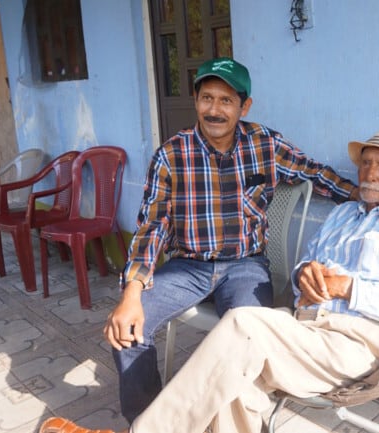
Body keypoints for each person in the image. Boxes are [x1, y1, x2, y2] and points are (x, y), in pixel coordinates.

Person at [40, 124, 379, 433]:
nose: (370, 173)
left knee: (242, 325)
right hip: (303, 327)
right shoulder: (344, 214)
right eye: (366, 163)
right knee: (235, 385)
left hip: (357, 341)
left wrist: (349, 287)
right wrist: (305, 275)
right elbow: (305, 266)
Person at [104, 57, 358, 423]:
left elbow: (316, 173)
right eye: (207, 98)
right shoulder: (171, 154)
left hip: (245, 267)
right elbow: (151, 226)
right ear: (196, 101)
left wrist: (363, 197)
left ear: (244, 106)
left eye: (226, 100)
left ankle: (234, 422)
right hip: (187, 266)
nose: (215, 110)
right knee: (129, 328)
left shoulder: (265, 144)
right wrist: (131, 294)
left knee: (249, 339)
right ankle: (147, 421)